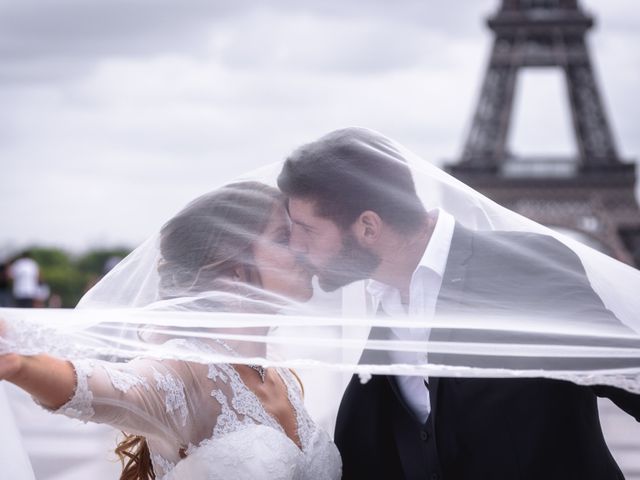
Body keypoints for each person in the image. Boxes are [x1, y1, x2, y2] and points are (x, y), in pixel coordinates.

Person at [277, 127, 640, 480]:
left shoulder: (523, 268)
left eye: (306, 230)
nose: (296, 246)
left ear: (368, 227)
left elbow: (631, 374)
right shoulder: (382, 302)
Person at [0, 182, 342, 480]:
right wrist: (20, 365)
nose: (304, 252)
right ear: (235, 267)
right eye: (285, 239)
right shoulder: (184, 367)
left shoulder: (279, 373)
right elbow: (112, 388)